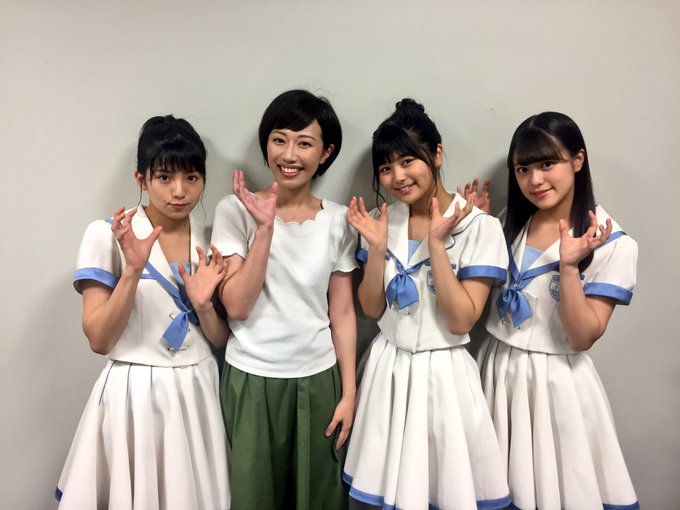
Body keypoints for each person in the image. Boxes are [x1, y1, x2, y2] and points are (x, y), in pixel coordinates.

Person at [343, 98, 511, 510]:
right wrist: (377, 249)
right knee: (385, 488)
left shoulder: (480, 227)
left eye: (407, 161)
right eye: (386, 168)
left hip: (444, 377)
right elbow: (371, 309)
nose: (397, 177)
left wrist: (437, 244)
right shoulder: (381, 220)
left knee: (442, 488)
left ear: (436, 155)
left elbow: (461, 321)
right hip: (388, 369)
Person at [56, 115, 231, 510]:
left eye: (191, 177)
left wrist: (204, 305)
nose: (179, 191)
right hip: (135, 394)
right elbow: (99, 339)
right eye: (165, 177)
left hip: (199, 390)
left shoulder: (211, 239)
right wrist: (132, 271)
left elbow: (220, 339)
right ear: (142, 179)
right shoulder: (107, 235)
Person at [476, 112, 639, 509]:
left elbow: (582, 336)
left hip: (554, 386)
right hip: (496, 372)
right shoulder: (508, 222)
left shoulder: (612, 242)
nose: (535, 180)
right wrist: (475, 227)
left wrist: (568, 267)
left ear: (578, 160)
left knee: (553, 492)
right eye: (523, 169)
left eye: (548, 163)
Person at [211, 89, 357, 510]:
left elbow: (342, 311)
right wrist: (264, 229)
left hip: (320, 380)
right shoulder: (235, 209)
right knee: (254, 498)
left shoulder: (339, 220)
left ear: (325, 153)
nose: (289, 154)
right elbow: (237, 306)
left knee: (318, 499)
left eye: (304, 143)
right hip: (251, 376)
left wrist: (349, 393)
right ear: (266, 145)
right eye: (279, 140)